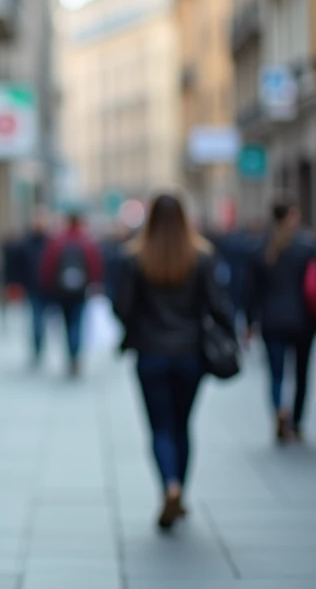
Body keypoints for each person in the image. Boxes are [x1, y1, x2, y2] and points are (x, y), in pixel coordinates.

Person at [113, 193, 234, 531]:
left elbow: (121, 308)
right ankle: (180, 488)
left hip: (150, 355)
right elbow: (218, 305)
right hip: (190, 355)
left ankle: (169, 485)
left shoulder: (134, 258)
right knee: (182, 425)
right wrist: (230, 337)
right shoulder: (201, 257)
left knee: (160, 427)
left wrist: (137, 327)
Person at [246, 198, 316, 443]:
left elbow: (251, 292)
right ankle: (295, 422)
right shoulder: (306, 248)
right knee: (301, 373)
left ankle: (279, 410)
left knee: (276, 374)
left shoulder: (259, 250)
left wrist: (247, 323)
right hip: (303, 321)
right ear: (290, 217)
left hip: (271, 320)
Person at [39, 211, 103, 377]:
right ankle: (75, 356)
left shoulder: (58, 242)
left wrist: (49, 287)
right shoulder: (86, 242)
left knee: (67, 324)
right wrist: (94, 284)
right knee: (78, 323)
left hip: (61, 291)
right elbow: (95, 265)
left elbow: (48, 266)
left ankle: (71, 355)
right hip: (80, 291)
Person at [20, 211, 53, 365]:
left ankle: (40, 345)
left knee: (41, 318)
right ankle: (38, 347)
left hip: (48, 287)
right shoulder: (26, 243)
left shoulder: (51, 243)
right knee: (36, 318)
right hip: (33, 287)